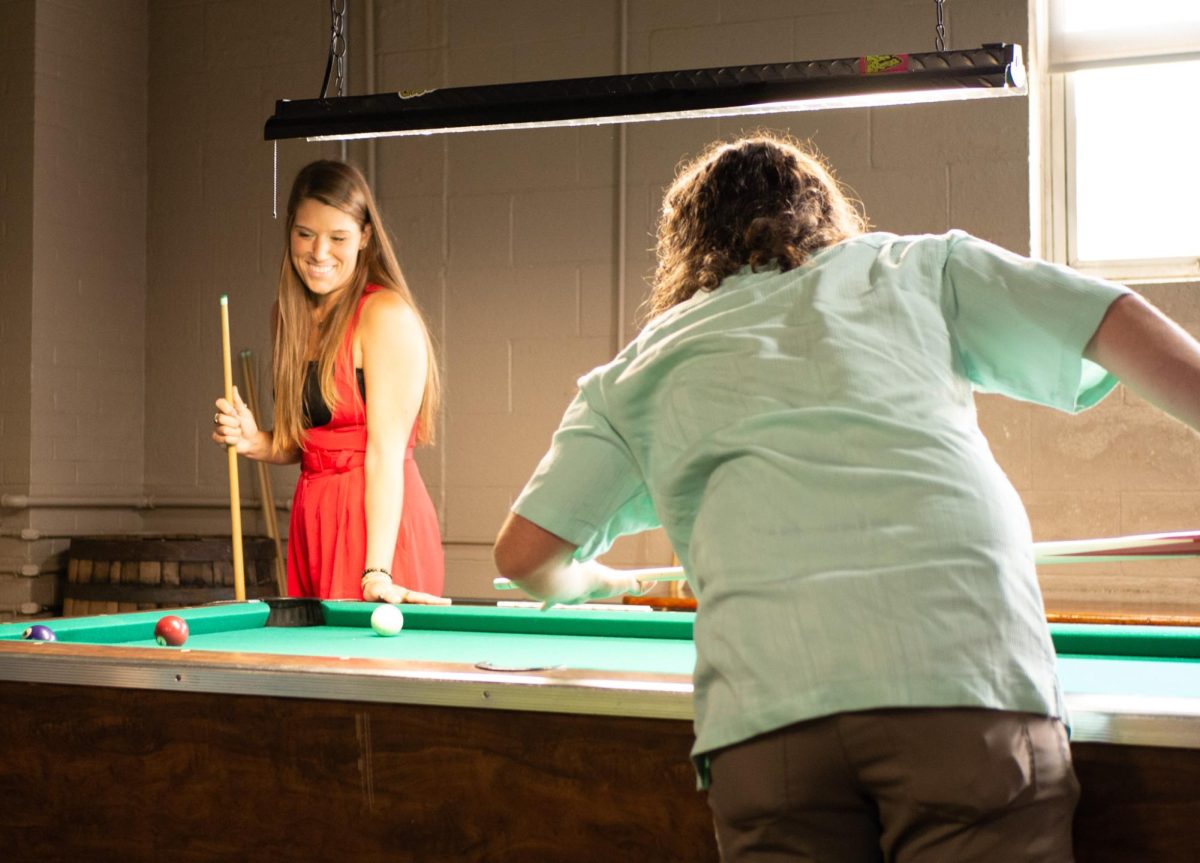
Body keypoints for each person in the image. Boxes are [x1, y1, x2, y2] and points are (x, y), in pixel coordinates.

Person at [492, 132, 1200, 861]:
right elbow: (1113, 318)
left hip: (768, 723)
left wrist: (588, 581)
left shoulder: (637, 368)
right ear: (824, 211)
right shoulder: (915, 265)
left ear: (688, 246)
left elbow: (526, 554)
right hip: (963, 677)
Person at [213, 159, 448, 606]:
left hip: (375, 527)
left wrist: (377, 570)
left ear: (364, 238)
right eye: (305, 234)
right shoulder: (289, 316)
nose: (319, 253)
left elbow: (384, 455)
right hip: (313, 523)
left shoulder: (385, 316)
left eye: (338, 237)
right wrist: (254, 441)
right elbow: (308, 443)